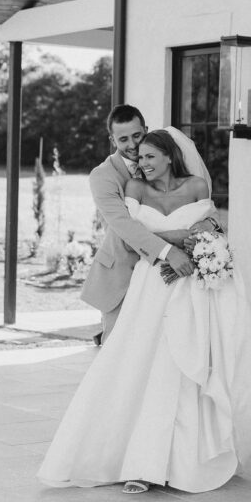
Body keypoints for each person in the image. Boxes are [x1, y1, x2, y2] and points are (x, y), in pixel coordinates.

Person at [38, 128, 251, 495]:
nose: (142, 164)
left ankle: (184, 459)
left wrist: (195, 246)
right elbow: (131, 231)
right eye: (139, 158)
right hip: (151, 284)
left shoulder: (197, 186)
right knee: (141, 363)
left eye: (149, 157)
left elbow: (211, 228)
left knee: (185, 367)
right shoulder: (136, 190)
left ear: (170, 156)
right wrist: (177, 243)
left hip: (190, 287)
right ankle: (137, 461)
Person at [82, 104, 208, 342]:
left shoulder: (162, 160)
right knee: (117, 351)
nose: (131, 145)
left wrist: (206, 228)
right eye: (123, 139)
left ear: (146, 130)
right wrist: (171, 246)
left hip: (164, 280)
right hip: (122, 274)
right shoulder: (102, 176)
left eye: (137, 136)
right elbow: (124, 226)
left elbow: (193, 206)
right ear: (112, 140)